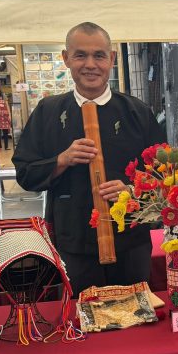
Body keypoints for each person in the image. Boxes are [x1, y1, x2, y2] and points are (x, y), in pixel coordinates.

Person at [13, 22, 165, 294]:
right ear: (66, 58)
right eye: (80, 55)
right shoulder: (48, 112)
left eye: (99, 55)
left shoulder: (137, 112)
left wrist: (131, 190)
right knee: (81, 314)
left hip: (130, 243)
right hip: (72, 242)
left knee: (134, 313)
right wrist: (61, 160)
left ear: (112, 59)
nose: (90, 64)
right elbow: (25, 174)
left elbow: (164, 177)